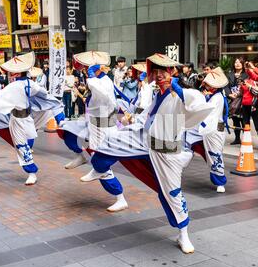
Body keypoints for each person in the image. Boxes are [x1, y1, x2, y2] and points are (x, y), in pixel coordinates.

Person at [82, 53, 215, 253]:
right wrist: (132, 120)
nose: (160, 75)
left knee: (171, 193)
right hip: (145, 140)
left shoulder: (181, 93)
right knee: (112, 140)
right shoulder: (157, 93)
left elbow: (198, 103)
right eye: (157, 72)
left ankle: (183, 234)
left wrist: (180, 91)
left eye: (164, 72)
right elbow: (148, 115)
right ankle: (99, 167)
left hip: (167, 149)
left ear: (172, 73)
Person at [0, 52, 49, 186]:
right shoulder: (23, 84)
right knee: (22, 146)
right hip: (17, 119)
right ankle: (32, 172)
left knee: (25, 144)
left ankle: (31, 172)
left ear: (16, 73)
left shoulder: (25, 85)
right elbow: (45, 95)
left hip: (26, 119)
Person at [186, 67, 229, 193]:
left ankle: (220, 182)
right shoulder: (212, 95)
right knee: (187, 136)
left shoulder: (218, 97)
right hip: (206, 127)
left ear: (215, 87)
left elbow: (209, 114)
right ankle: (183, 158)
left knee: (215, 155)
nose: (205, 85)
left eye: (208, 84)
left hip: (213, 129)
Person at [226, 58, 247, 145]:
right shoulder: (229, 75)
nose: (237, 64)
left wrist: (239, 94)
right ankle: (237, 138)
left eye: (239, 62)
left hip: (242, 99)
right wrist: (230, 94)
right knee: (235, 120)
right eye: (235, 62)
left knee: (243, 120)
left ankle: (246, 139)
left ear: (242, 64)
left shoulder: (246, 75)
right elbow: (226, 86)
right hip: (233, 100)